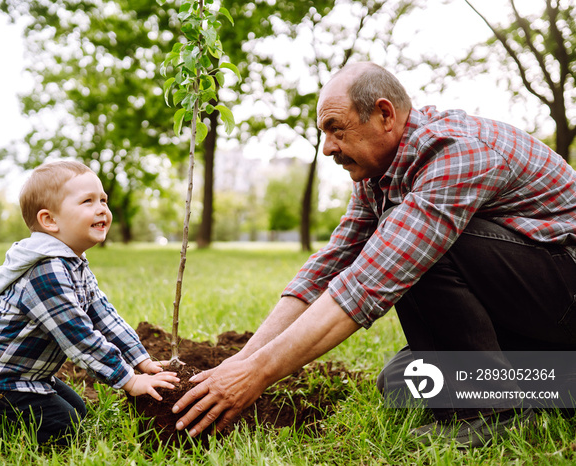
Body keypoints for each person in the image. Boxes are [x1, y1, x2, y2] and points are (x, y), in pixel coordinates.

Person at [171, 62, 576, 447]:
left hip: (565, 293)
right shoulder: (378, 175)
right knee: (401, 380)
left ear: (384, 114)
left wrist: (255, 376)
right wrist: (243, 360)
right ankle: (556, 381)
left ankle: (489, 413)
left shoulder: (457, 153)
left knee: (415, 247)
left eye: (336, 129)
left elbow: (371, 278)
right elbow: (329, 267)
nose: (328, 148)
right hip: (531, 310)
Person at [0, 160, 179, 458]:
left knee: (78, 409)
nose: (102, 208)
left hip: (23, 376)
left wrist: (140, 359)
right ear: (49, 221)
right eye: (88, 201)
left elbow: (104, 315)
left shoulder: (74, 264)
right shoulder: (46, 271)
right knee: (63, 426)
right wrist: (129, 379)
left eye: (103, 200)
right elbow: (79, 336)